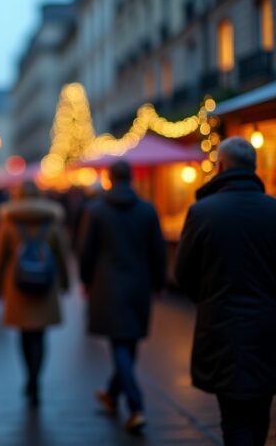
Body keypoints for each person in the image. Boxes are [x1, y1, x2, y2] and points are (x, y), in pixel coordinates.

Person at [175, 137, 276, 446]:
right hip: (269, 329)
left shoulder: (203, 212)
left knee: (233, 417)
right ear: (254, 168)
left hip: (222, 328)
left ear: (219, 166)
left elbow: (183, 274)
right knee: (261, 410)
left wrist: (210, 300)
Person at [78, 160, 166, 433]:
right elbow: (158, 250)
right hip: (139, 283)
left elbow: (86, 251)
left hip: (108, 284)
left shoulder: (96, 210)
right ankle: (112, 394)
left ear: (109, 178)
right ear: (131, 178)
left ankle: (136, 406)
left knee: (120, 343)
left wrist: (86, 280)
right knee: (128, 341)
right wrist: (158, 283)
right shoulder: (147, 210)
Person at [0, 180, 69, 407]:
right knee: (41, 336)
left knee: (24, 336)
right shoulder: (51, 220)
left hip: (17, 287)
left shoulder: (8, 222)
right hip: (45, 286)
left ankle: (29, 378)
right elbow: (61, 254)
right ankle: (37, 379)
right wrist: (65, 284)